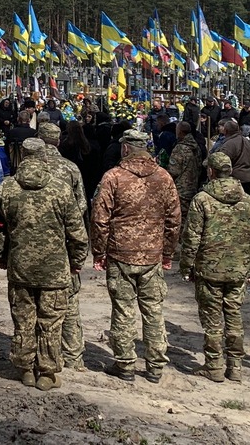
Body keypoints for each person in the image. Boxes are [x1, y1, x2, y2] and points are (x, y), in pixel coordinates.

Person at [0, 138, 87, 391]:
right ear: (45, 156)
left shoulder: (8, 188)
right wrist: (76, 262)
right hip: (54, 269)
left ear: (22, 156)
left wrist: (1, 255)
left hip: (20, 266)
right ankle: (46, 371)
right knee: (50, 322)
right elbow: (78, 233)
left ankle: (25, 368)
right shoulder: (61, 189)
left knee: (23, 319)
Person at [89, 129, 181, 383]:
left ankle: (125, 363)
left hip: (121, 253)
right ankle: (155, 365)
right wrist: (167, 252)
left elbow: (99, 218)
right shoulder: (164, 178)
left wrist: (99, 251)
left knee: (123, 309)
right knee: (153, 310)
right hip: (152, 254)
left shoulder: (113, 177)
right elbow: (174, 220)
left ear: (125, 149)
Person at [180, 153, 250, 382]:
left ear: (211, 172)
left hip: (209, 269)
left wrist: (186, 267)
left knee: (212, 319)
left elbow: (191, 237)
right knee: (234, 316)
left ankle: (214, 365)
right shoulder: (248, 201)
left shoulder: (202, 200)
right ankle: (235, 366)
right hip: (238, 270)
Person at [37, 121, 88, 373]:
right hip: (64, 242)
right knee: (68, 300)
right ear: (58, 141)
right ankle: (72, 355)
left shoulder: (27, 170)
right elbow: (81, 206)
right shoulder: (70, 169)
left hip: (33, 242)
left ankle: (39, 352)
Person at [167, 121, 203, 232]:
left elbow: (174, 170)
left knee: (179, 217)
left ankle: (181, 240)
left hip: (181, 188)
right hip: (193, 185)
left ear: (180, 132)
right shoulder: (196, 146)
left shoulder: (180, 148)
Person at [211, 119, 250, 196]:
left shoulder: (229, 144)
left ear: (226, 131)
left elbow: (221, 162)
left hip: (234, 179)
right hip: (248, 177)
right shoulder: (248, 142)